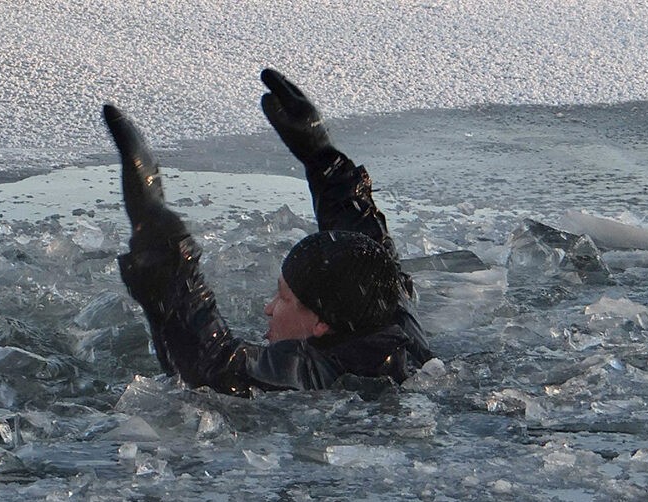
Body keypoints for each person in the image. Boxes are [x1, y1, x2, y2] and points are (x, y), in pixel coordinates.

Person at [101, 69, 431, 397]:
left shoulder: (323, 373)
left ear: (320, 324)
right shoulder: (392, 320)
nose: (268, 308)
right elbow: (369, 258)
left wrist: (156, 236)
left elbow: (214, 367)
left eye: (284, 298)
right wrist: (322, 158)